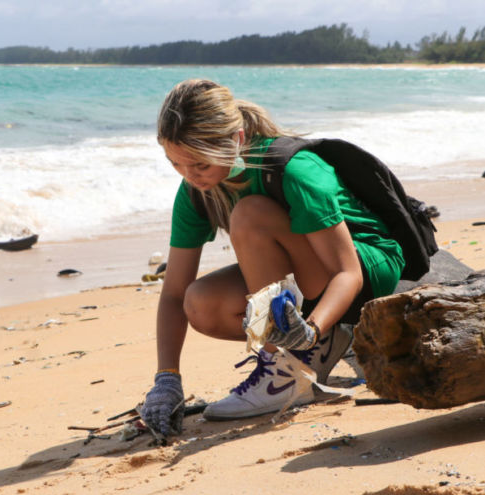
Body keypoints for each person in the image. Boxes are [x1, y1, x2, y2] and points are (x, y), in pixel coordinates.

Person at [140, 78, 405, 436]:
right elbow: (173, 293)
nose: (190, 176)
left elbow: (348, 273)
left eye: (200, 164)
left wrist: (310, 331)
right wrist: (166, 379)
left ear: (235, 139)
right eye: (176, 164)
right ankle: (315, 346)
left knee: (249, 215)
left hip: (363, 268)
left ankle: (291, 365)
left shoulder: (294, 170)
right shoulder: (196, 191)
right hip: (306, 275)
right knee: (201, 303)